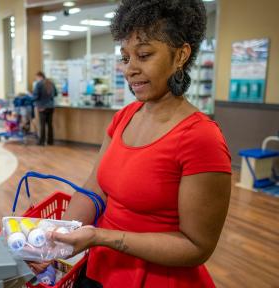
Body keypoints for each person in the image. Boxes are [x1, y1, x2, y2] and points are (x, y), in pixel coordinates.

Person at [30, 0, 232, 287]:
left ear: (181, 55)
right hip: (100, 268)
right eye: (125, 58)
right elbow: (93, 188)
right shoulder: (124, 117)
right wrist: (57, 239)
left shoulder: (201, 138)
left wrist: (101, 236)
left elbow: (196, 246)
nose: (130, 69)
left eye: (144, 55)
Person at [32, 71, 57, 146]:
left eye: (36, 77)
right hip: (51, 107)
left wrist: (31, 97)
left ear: (39, 76)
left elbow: (35, 96)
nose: (36, 79)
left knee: (42, 124)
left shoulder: (39, 84)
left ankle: (41, 142)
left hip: (42, 107)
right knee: (49, 124)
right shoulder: (51, 83)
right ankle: (50, 141)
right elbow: (55, 94)